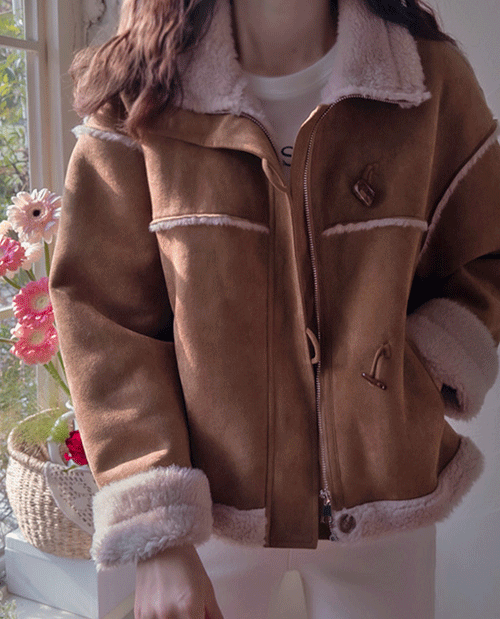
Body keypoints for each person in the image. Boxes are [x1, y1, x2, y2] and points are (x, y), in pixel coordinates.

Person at [49, 0, 500, 617]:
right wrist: (158, 531)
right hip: (208, 520)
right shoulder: (141, 93)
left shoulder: (425, 78)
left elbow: (484, 254)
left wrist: (413, 372)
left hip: (385, 508)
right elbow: (102, 313)